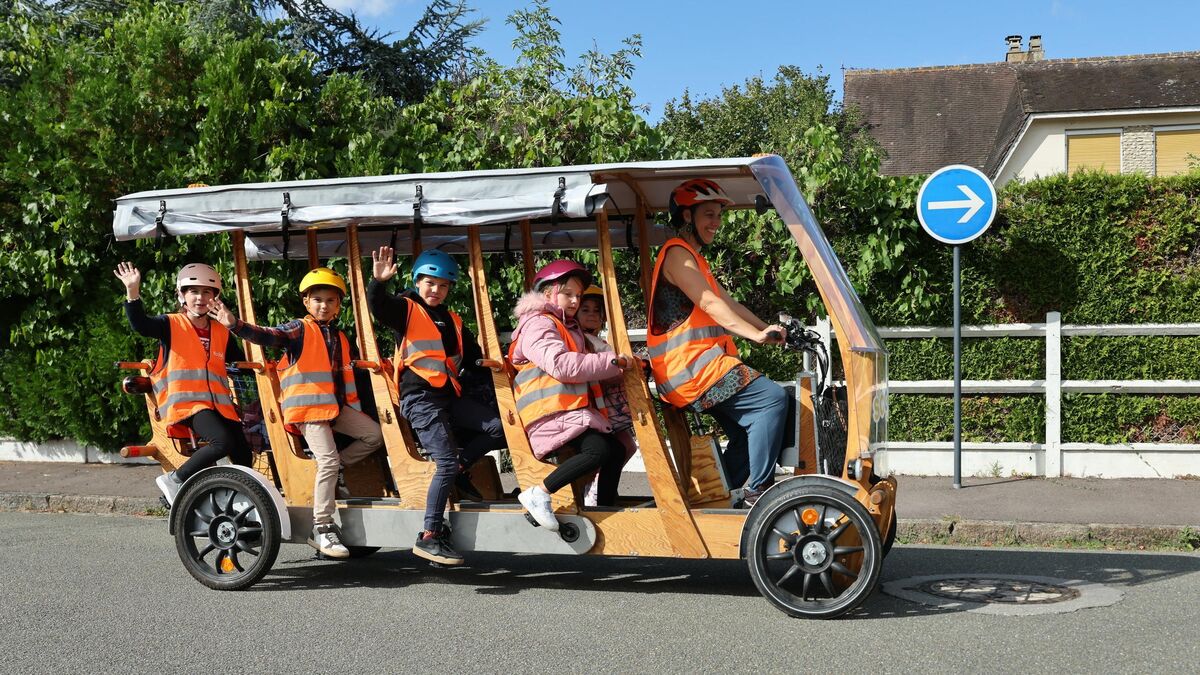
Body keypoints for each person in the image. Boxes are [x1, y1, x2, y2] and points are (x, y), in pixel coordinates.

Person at [211, 267, 383, 559]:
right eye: (317, 299)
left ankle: (335, 469)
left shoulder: (339, 336)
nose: (323, 305)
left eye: (330, 300)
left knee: (374, 436)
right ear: (306, 302)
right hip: (307, 410)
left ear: (338, 306)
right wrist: (235, 325)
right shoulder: (299, 329)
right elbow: (269, 335)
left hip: (333, 408)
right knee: (327, 461)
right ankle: (322, 526)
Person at [647, 179, 790, 508]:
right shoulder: (677, 255)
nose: (716, 222)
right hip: (691, 373)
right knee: (771, 400)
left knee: (745, 431)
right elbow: (710, 304)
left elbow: (729, 303)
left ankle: (714, 499)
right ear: (687, 216)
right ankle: (758, 492)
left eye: (719, 215)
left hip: (702, 370)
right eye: (709, 214)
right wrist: (754, 335)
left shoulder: (695, 260)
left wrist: (769, 328)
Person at [367, 246, 506, 566]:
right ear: (417, 281)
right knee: (444, 462)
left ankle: (459, 469)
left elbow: (474, 360)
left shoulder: (453, 320)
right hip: (419, 398)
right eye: (430, 283)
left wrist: (501, 365)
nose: (436, 290)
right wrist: (379, 282)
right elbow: (379, 306)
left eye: (443, 285)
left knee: (498, 428)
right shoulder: (406, 308)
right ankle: (430, 535)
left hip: (448, 396)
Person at [115, 262, 253, 506]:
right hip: (186, 404)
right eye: (194, 292)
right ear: (182, 295)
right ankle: (175, 479)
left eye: (207, 292)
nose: (200, 298)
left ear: (215, 297)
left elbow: (241, 364)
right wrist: (132, 291)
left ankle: (242, 498)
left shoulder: (221, 331)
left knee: (243, 450)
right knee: (222, 442)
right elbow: (141, 325)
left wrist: (237, 329)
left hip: (219, 406)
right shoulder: (170, 324)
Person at [509, 261, 634, 531]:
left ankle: (604, 510)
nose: (575, 301)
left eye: (578, 295)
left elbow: (589, 366)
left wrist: (624, 369)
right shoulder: (538, 324)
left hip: (567, 412)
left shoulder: (567, 327)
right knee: (599, 450)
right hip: (547, 414)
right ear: (548, 294)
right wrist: (613, 362)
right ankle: (539, 493)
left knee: (617, 449)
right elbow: (562, 365)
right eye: (568, 294)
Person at [575, 285, 638, 507]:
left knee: (628, 447)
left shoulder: (598, 341)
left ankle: (601, 488)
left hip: (608, 407)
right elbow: (600, 371)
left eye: (597, 310)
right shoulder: (582, 341)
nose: (592, 314)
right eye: (585, 310)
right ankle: (596, 492)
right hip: (594, 408)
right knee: (617, 449)